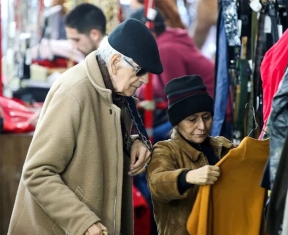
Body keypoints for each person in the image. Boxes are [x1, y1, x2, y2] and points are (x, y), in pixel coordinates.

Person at [7, 19, 163, 235]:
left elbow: (107, 133)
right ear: (116, 61)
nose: (145, 80)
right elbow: (38, 172)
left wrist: (135, 140)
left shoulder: (114, 89)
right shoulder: (74, 93)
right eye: (140, 71)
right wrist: (82, 222)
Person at [146, 75, 236, 235]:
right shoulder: (165, 150)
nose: (202, 126)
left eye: (206, 117)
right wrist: (187, 177)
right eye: (192, 119)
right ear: (177, 122)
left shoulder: (222, 146)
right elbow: (156, 184)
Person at [131, 8, 215, 142]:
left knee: (149, 138)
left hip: (207, 112)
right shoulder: (169, 40)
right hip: (199, 107)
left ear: (149, 33)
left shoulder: (166, 50)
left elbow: (176, 96)